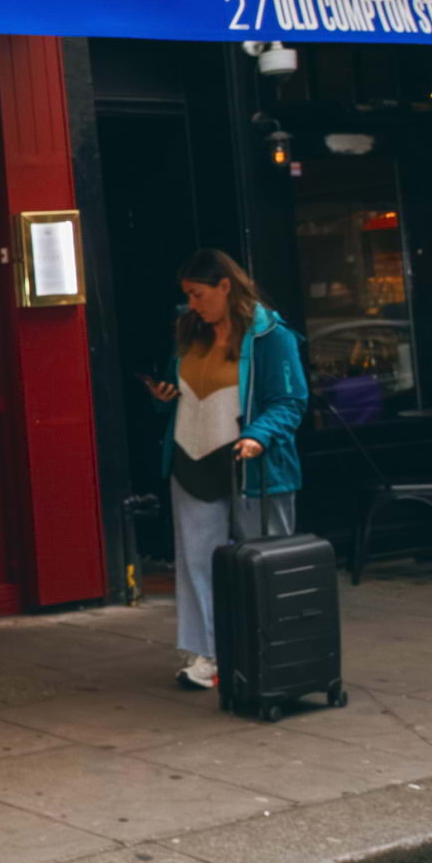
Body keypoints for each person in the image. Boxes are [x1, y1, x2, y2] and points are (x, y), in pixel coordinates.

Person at [144, 248, 305, 692]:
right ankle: (208, 655)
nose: (192, 305)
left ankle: (272, 652)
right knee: (197, 562)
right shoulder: (190, 332)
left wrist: (259, 435)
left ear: (225, 286)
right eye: (188, 297)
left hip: (251, 465)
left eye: (198, 295)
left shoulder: (272, 336)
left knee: (263, 562)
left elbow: (291, 402)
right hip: (191, 457)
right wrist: (165, 395)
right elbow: (188, 391)